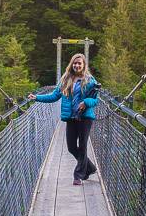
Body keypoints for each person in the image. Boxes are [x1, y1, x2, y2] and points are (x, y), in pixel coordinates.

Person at [28, 53, 100, 185]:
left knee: (82, 146)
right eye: (75, 63)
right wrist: (37, 98)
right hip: (71, 117)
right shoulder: (65, 79)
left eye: (79, 63)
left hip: (84, 117)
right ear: (71, 64)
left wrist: (86, 102)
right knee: (71, 147)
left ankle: (78, 176)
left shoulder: (90, 80)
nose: (77, 65)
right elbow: (54, 96)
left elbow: (96, 100)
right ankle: (90, 168)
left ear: (84, 65)